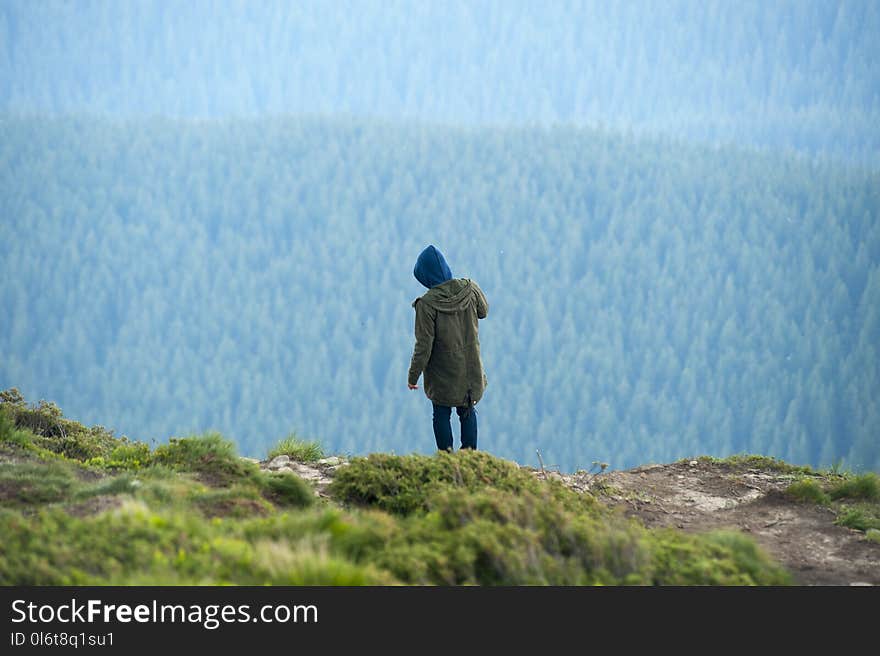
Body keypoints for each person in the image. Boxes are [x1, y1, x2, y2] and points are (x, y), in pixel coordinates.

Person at [408, 244, 489, 451]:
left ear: (425, 277)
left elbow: (423, 345)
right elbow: (484, 311)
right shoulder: (469, 288)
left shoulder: (426, 305)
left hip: (443, 374)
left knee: (441, 414)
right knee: (467, 410)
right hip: (470, 369)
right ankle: (470, 459)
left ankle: (446, 459)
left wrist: (413, 376)